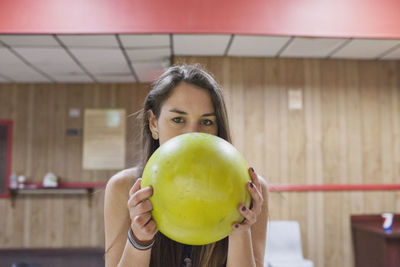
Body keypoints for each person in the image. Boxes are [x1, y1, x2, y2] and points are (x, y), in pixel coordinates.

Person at [104, 64, 268, 267]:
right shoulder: (123, 187)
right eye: (178, 119)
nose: (193, 133)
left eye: (207, 122)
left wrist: (240, 230)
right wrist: (139, 239)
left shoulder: (250, 190)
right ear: (153, 123)